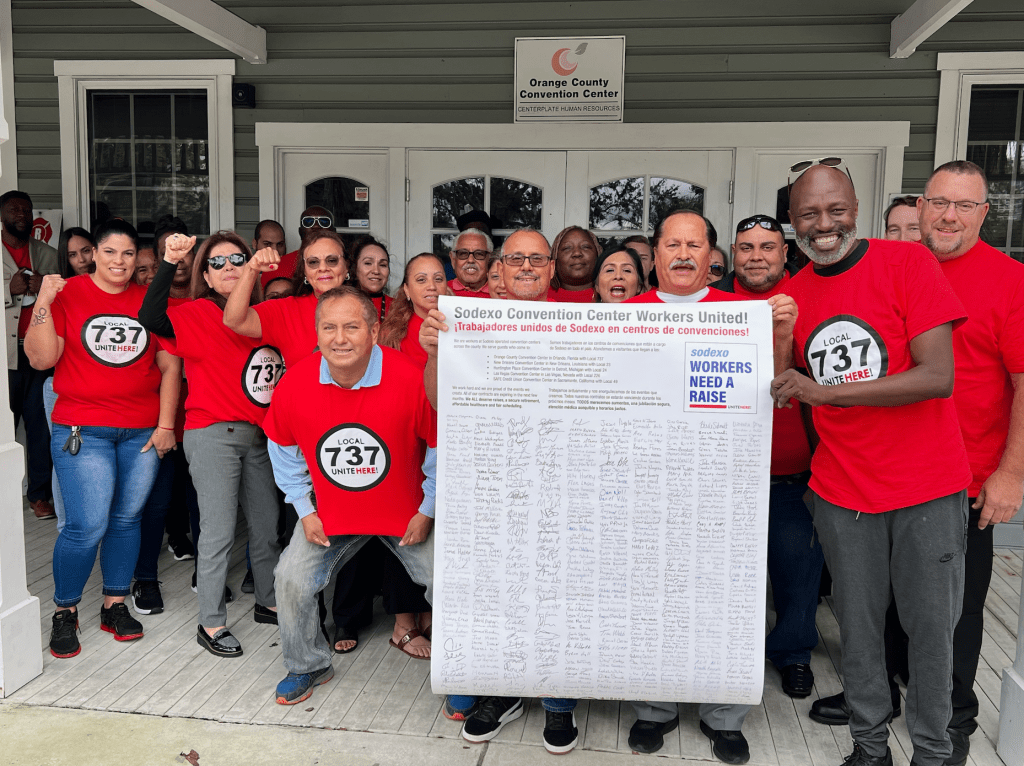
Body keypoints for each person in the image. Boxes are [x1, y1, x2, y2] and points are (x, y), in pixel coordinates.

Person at [770, 160, 972, 766]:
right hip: (842, 492)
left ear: (856, 208)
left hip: (927, 489)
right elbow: (788, 384)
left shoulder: (908, 263)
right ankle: (869, 747)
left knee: (931, 634)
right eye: (809, 213)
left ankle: (934, 753)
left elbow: (936, 377)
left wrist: (822, 392)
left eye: (836, 210)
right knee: (857, 633)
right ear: (793, 220)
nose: (824, 224)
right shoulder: (797, 294)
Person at [622, 209, 796, 763]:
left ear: (710, 256)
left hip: (725, 490)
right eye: (671, 243)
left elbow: (779, 390)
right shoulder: (625, 317)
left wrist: (783, 335)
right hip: (648, 488)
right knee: (650, 599)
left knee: (727, 601)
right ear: (654, 253)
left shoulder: (743, 314)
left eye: (693, 244)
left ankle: (724, 714)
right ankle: (655, 709)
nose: (681, 254)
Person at [419, 228, 582, 755]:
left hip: (564, 479)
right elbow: (440, 402)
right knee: (493, 591)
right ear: (500, 267)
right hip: (489, 481)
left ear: (552, 266)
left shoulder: (583, 320)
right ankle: (501, 693)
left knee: (559, 592)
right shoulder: (466, 319)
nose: (528, 267)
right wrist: (434, 353)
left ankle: (558, 702)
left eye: (537, 258)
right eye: (517, 259)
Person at [264, 286, 436, 705]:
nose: (339, 338)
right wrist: (305, 511)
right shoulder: (296, 382)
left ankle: (463, 672)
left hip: (406, 515)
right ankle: (308, 664)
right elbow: (282, 449)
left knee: (452, 581)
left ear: (374, 332)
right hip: (333, 516)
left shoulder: (411, 377)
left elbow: (438, 447)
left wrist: (428, 509)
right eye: (329, 327)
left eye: (351, 327)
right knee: (290, 578)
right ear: (317, 332)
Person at [24, 218, 180, 658]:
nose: (119, 261)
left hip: (141, 431)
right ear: (94, 253)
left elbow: (171, 366)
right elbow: (40, 359)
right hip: (82, 429)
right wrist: (44, 299)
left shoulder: (150, 300)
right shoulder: (69, 294)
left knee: (127, 519)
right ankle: (65, 611)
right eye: (110, 252)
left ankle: (113, 604)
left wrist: (167, 425)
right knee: (86, 524)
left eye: (128, 254)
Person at [917, 161, 1024, 766]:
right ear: (921, 206)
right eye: (939, 202)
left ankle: (954, 718)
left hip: (967, 479)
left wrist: (1011, 475)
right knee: (887, 601)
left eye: (964, 205)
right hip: (893, 473)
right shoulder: (897, 266)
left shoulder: (1009, 280)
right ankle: (888, 701)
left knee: (954, 611)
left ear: (985, 213)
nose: (949, 216)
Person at [139, 230, 283, 656]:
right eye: (216, 263)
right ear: (204, 273)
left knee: (265, 525)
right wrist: (168, 261)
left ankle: (267, 601)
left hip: (260, 436)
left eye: (237, 260)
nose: (229, 269)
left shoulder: (263, 314)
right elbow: (151, 316)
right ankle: (211, 623)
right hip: (213, 433)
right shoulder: (196, 311)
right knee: (218, 531)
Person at [715, 214, 823, 700]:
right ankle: (719, 651)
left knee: (797, 570)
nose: (756, 256)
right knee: (722, 576)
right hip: (724, 471)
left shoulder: (814, 299)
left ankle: (793, 653)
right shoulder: (714, 303)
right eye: (745, 247)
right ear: (732, 254)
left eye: (767, 247)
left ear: (786, 253)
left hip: (791, 466)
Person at [3, 190, 59, 520]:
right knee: (2, 427)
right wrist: (5, 290)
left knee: (40, 427)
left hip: (37, 351)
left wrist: (45, 289)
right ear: (1, 215)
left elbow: (64, 299)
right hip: (3, 357)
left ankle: (39, 495)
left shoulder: (47, 254)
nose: (22, 214)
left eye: (27, 209)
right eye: (14, 209)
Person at [223, 229, 348, 368]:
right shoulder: (286, 310)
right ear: (305, 271)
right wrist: (252, 269)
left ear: (346, 267)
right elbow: (233, 320)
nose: (323, 268)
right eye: (313, 262)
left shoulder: (365, 306)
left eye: (332, 260)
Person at [549, 225, 600, 302]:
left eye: (585, 247)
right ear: (555, 259)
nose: (577, 253)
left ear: (598, 254)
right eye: (567, 248)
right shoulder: (541, 296)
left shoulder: (611, 295)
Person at [350, 235, 392, 320]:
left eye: (383, 265)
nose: (376, 271)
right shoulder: (340, 304)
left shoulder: (399, 308)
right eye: (368, 263)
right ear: (355, 268)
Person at [446, 228, 492, 298]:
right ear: (453, 259)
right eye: (463, 253)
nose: (470, 260)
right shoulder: (441, 292)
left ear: (489, 260)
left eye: (479, 254)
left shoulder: (500, 292)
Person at [252, 219, 288, 289]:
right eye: (267, 244)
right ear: (254, 244)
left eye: (280, 244)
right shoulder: (247, 272)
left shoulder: (294, 271)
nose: (275, 250)